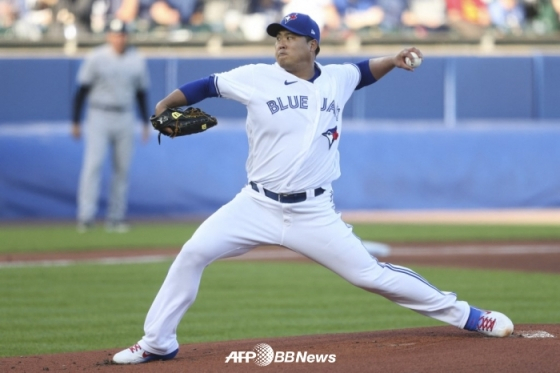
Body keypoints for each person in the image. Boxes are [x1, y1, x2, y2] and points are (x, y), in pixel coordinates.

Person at [112, 12, 514, 365]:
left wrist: (393, 60)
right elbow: (207, 85)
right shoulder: (255, 77)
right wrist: (166, 103)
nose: (281, 43)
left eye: (289, 37)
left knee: (371, 276)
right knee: (193, 253)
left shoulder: (337, 78)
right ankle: (158, 343)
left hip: (313, 213)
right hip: (254, 204)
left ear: (313, 45)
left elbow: (364, 70)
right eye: (277, 37)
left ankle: (469, 315)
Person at [72, 18, 150, 233]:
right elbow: (82, 91)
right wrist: (75, 121)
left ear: (127, 36)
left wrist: (145, 122)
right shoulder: (96, 57)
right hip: (99, 113)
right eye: (116, 34)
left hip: (125, 114)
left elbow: (141, 93)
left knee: (122, 169)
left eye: (123, 34)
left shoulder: (137, 59)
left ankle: (116, 217)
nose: (119, 38)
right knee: (93, 165)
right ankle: (86, 216)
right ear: (109, 36)